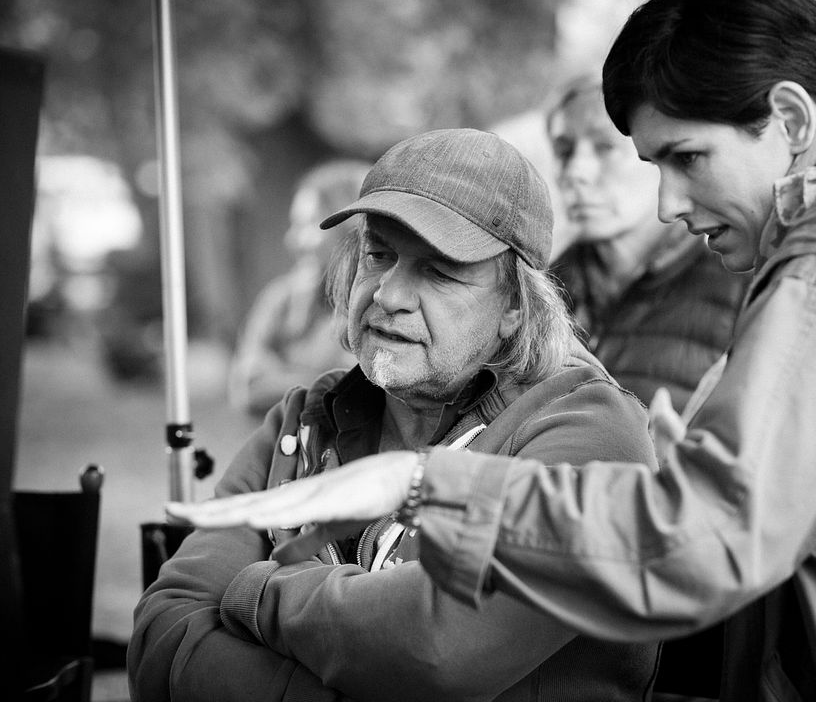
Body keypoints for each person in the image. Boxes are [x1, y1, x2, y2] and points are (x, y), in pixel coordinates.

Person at [165, 0, 816, 701]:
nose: (667, 208)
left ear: (796, 122)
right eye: (376, 256)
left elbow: (695, 544)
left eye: (687, 159)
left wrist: (412, 487)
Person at [130, 128, 662, 701]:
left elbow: (438, 650)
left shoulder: (588, 432)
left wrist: (258, 591)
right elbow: (163, 636)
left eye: (438, 271)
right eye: (378, 254)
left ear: (515, 305)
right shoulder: (304, 419)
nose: (387, 294)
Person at [546, 74, 748, 412]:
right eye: (564, 151)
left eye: (605, 146)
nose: (575, 172)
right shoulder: (537, 294)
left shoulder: (739, 277)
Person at [228, 159, 371, 419]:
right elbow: (248, 390)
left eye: (307, 224)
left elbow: (367, 396)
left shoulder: (378, 304)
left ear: (351, 228)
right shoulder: (280, 299)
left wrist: (283, 376)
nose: (292, 239)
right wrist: (326, 382)